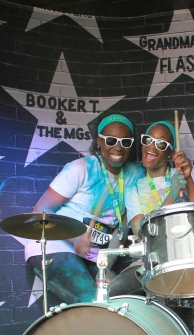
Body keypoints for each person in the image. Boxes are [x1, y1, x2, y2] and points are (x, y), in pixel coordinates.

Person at [25, 113, 144, 304]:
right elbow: (41, 210)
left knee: (114, 301)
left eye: (125, 142)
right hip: (57, 244)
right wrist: (74, 237)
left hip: (94, 255)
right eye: (111, 140)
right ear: (99, 141)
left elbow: (120, 231)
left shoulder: (134, 175)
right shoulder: (81, 168)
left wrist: (106, 267)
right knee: (91, 302)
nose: (118, 147)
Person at [108, 120, 194, 299]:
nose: (151, 147)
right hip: (150, 261)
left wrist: (188, 180)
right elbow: (142, 233)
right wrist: (172, 195)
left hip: (186, 257)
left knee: (172, 295)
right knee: (114, 292)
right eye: (148, 140)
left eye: (160, 144)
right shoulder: (135, 189)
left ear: (170, 153)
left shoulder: (185, 173)